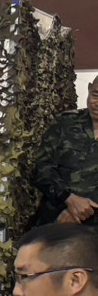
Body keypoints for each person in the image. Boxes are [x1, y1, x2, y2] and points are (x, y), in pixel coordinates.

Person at [33, 75, 98, 227]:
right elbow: (42, 168)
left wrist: (82, 211)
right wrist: (69, 199)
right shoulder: (65, 122)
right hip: (57, 217)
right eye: (95, 95)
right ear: (89, 88)